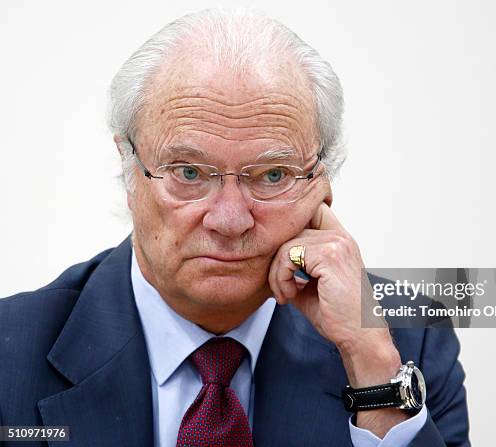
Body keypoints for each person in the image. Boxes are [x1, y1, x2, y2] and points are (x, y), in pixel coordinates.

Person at [0, 9, 469, 447]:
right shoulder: (11, 354)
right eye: (188, 173)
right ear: (129, 165)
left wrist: (371, 366)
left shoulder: (406, 341)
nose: (229, 220)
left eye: (271, 176)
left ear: (320, 184)